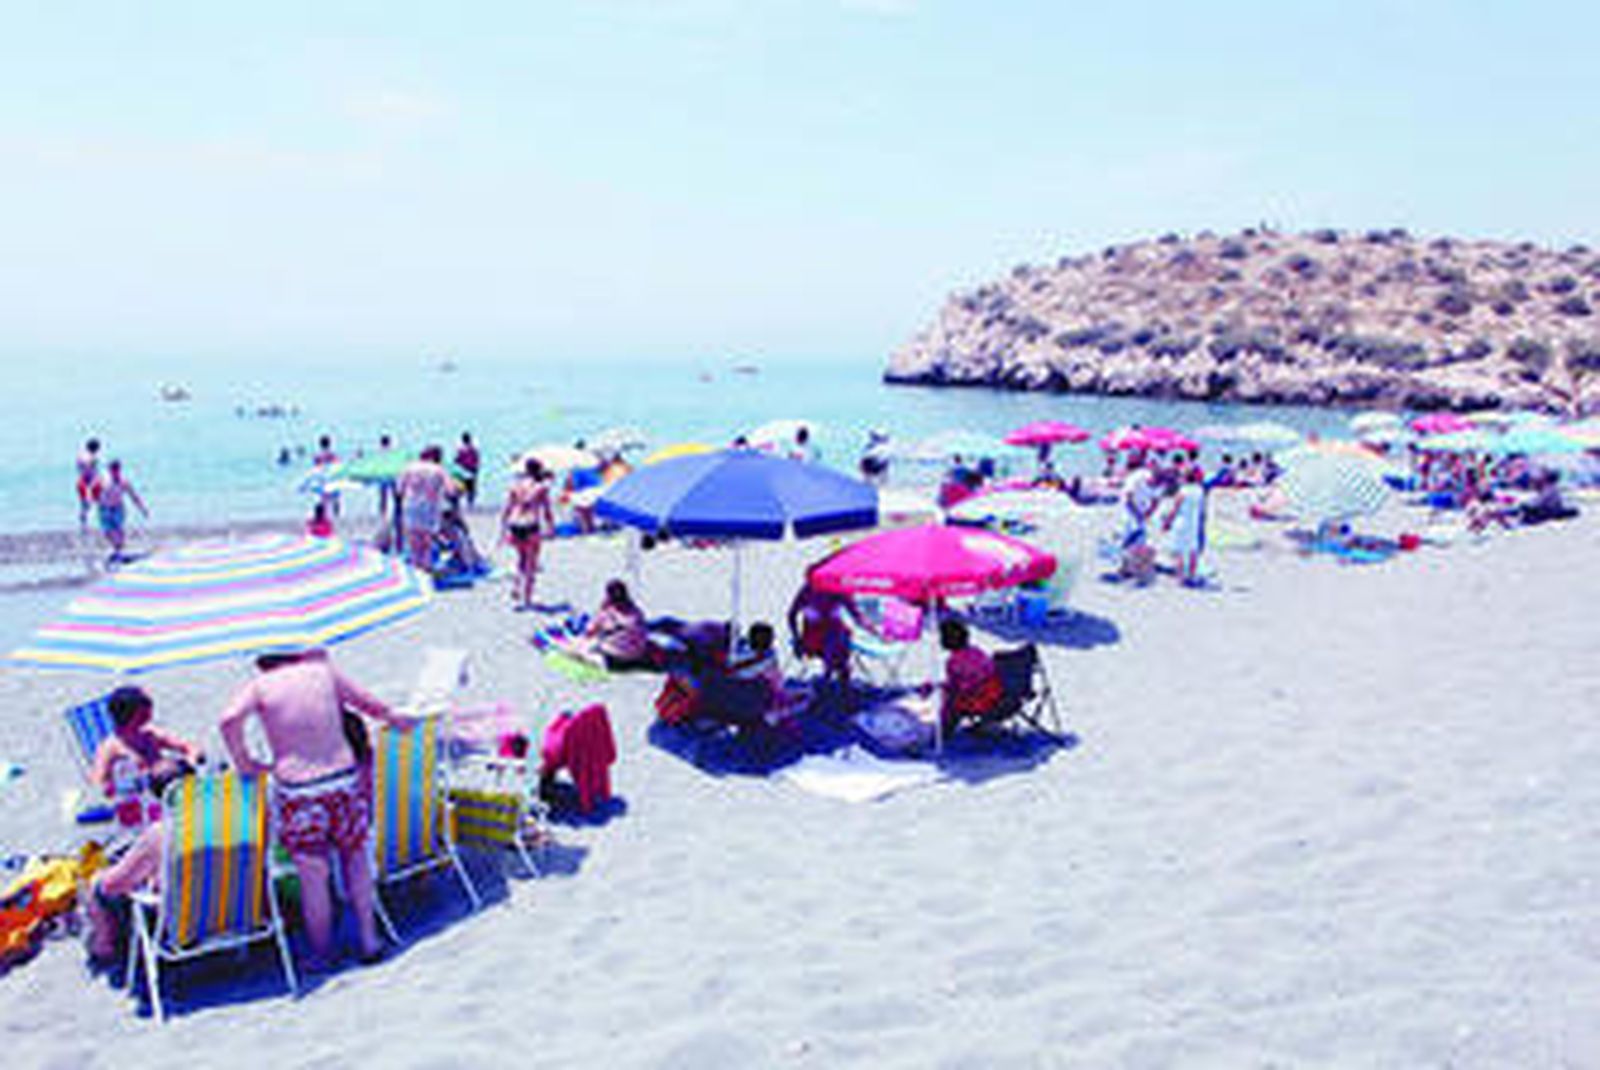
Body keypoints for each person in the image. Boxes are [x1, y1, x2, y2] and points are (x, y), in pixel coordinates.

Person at [218, 649, 414, 966]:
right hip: (343, 779)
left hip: (300, 789)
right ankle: (369, 939)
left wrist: (244, 762)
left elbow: (228, 720)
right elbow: (373, 706)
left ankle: (323, 952)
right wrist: (397, 718)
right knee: (355, 860)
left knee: (314, 875)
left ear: (261, 661)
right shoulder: (323, 671)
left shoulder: (260, 686)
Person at [89, 686, 204, 804]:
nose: (150, 712)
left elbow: (189, 747)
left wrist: (190, 761)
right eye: (145, 709)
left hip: (172, 788)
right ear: (130, 713)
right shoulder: (110, 747)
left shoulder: (150, 734)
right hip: (140, 801)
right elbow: (97, 783)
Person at [924, 618, 1003, 735]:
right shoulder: (976, 651)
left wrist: (940, 688)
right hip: (994, 691)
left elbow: (960, 688)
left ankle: (944, 731)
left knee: (950, 702)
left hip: (980, 698)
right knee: (951, 696)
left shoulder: (955, 661)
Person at [787, 569, 861, 692]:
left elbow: (856, 614)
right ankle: (835, 675)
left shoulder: (838, 590)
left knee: (837, 637)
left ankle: (832, 675)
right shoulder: (807, 592)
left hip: (835, 635)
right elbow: (791, 615)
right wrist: (796, 637)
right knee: (834, 639)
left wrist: (873, 630)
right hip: (814, 636)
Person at [502, 457, 554, 610]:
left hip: (515, 523)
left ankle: (517, 586)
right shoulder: (541, 487)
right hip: (531, 524)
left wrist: (503, 527)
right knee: (531, 562)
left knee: (521, 559)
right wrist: (551, 527)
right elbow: (547, 510)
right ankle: (527, 598)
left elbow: (507, 508)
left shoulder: (515, 486)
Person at [566, 580, 652, 670]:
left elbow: (590, 631)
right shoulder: (636, 611)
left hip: (615, 658)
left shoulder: (607, 613)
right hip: (637, 655)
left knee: (584, 647)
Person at [396, 445, 457, 570]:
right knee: (426, 543)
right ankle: (426, 569)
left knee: (413, 542)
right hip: (429, 506)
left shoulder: (409, 468)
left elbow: (399, 490)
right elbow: (451, 491)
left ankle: (416, 570)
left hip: (410, 504)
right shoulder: (438, 470)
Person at [94, 459, 149, 564]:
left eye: (117, 469)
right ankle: (117, 549)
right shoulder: (103, 481)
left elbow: (133, 495)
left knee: (118, 530)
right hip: (105, 508)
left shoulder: (123, 482)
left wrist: (142, 508)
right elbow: (93, 491)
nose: (115, 471)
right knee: (107, 532)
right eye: (113, 469)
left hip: (117, 508)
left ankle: (118, 552)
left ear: (119, 470)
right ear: (109, 470)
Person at [1162, 467, 1209, 586]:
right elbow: (1202, 510)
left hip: (1182, 522)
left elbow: (1175, 508)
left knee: (1180, 550)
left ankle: (1181, 576)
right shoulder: (1200, 490)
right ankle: (1191, 575)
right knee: (1192, 550)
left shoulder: (1183, 491)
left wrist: (1167, 522)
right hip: (1194, 522)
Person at [76, 438, 101, 531]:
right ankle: (101, 522)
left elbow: (81, 469)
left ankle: (84, 525)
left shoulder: (80, 456)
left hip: (82, 481)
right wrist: (91, 483)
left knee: (85, 505)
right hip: (89, 482)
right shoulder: (91, 457)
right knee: (100, 502)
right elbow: (89, 470)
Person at [454, 432, 481, 508]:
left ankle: (467, 504)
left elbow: (458, 459)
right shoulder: (472, 449)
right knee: (468, 489)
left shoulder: (463, 449)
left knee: (466, 489)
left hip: (467, 470)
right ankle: (469, 504)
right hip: (469, 470)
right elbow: (476, 460)